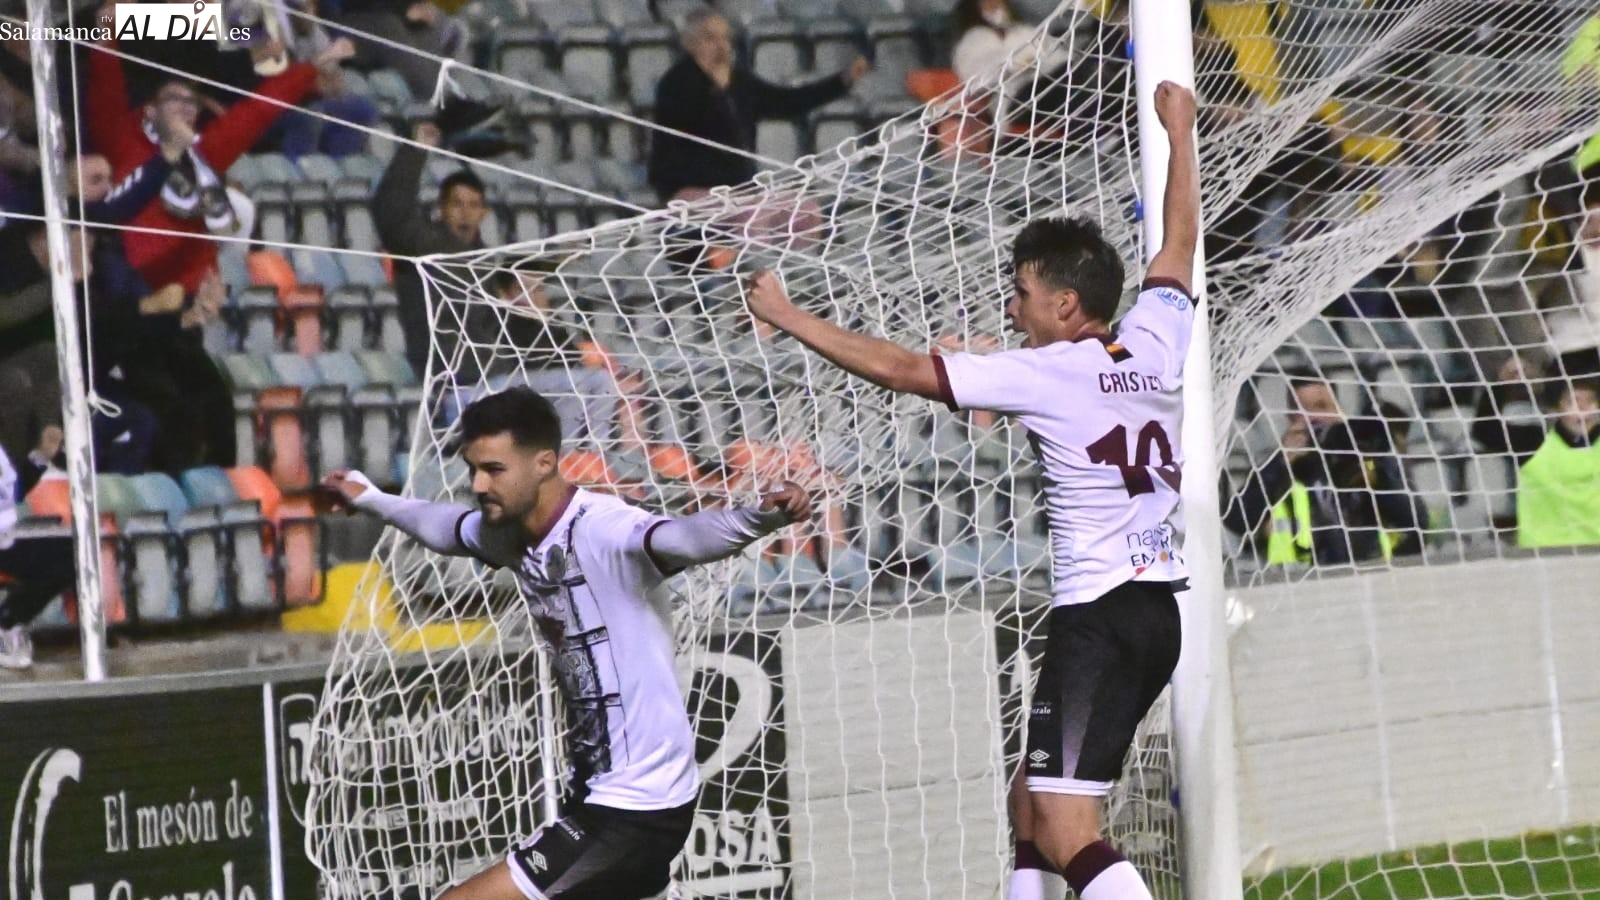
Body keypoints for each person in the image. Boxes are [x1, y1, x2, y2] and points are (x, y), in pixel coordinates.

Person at [744, 80, 1199, 900]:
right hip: (1156, 609)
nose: (1012, 308)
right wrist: (1179, 130)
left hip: (1097, 614)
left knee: (1067, 828)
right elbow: (1178, 242)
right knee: (1032, 799)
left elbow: (902, 368)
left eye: (1022, 295)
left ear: (1065, 304)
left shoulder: (1046, 371)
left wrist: (789, 315)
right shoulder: (1156, 342)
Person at [321, 386, 813, 900]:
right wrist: (373, 498)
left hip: (635, 806)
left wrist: (761, 518)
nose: (479, 484)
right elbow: (446, 527)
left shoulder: (603, 530)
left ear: (544, 462)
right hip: (603, 792)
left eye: (494, 469)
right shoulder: (511, 532)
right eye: (472, 469)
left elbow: (684, 539)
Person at [647, 9, 868, 208]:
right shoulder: (676, 83)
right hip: (692, 189)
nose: (721, 46)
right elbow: (705, 126)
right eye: (710, 38)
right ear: (689, 42)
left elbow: (786, 101)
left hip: (737, 188)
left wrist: (841, 81)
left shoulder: (739, 81)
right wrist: (721, 93)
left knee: (804, 210)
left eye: (725, 38)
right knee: (743, 219)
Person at [1223, 378, 1428, 566]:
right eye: (1300, 410)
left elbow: (1417, 524)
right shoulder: (1280, 468)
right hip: (1299, 585)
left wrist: (1379, 478)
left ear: (1339, 410)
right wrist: (1281, 462)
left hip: (1371, 576)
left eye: (1320, 407)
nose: (1312, 418)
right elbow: (1237, 522)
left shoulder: (1368, 459)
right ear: (1289, 418)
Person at [0, 428, 77, 669]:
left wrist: (42, 456)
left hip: (8, 535)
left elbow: (12, 493)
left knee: (70, 554)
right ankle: (7, 624)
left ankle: (10, 621)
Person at [1516, 378, 1600, 548]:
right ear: (1557, 410)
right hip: (1545, 553)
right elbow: (1483, 431)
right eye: (1573, 401)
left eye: (1590, 401)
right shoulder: (1532, 444)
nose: (1582, 409)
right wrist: (1503, 386)